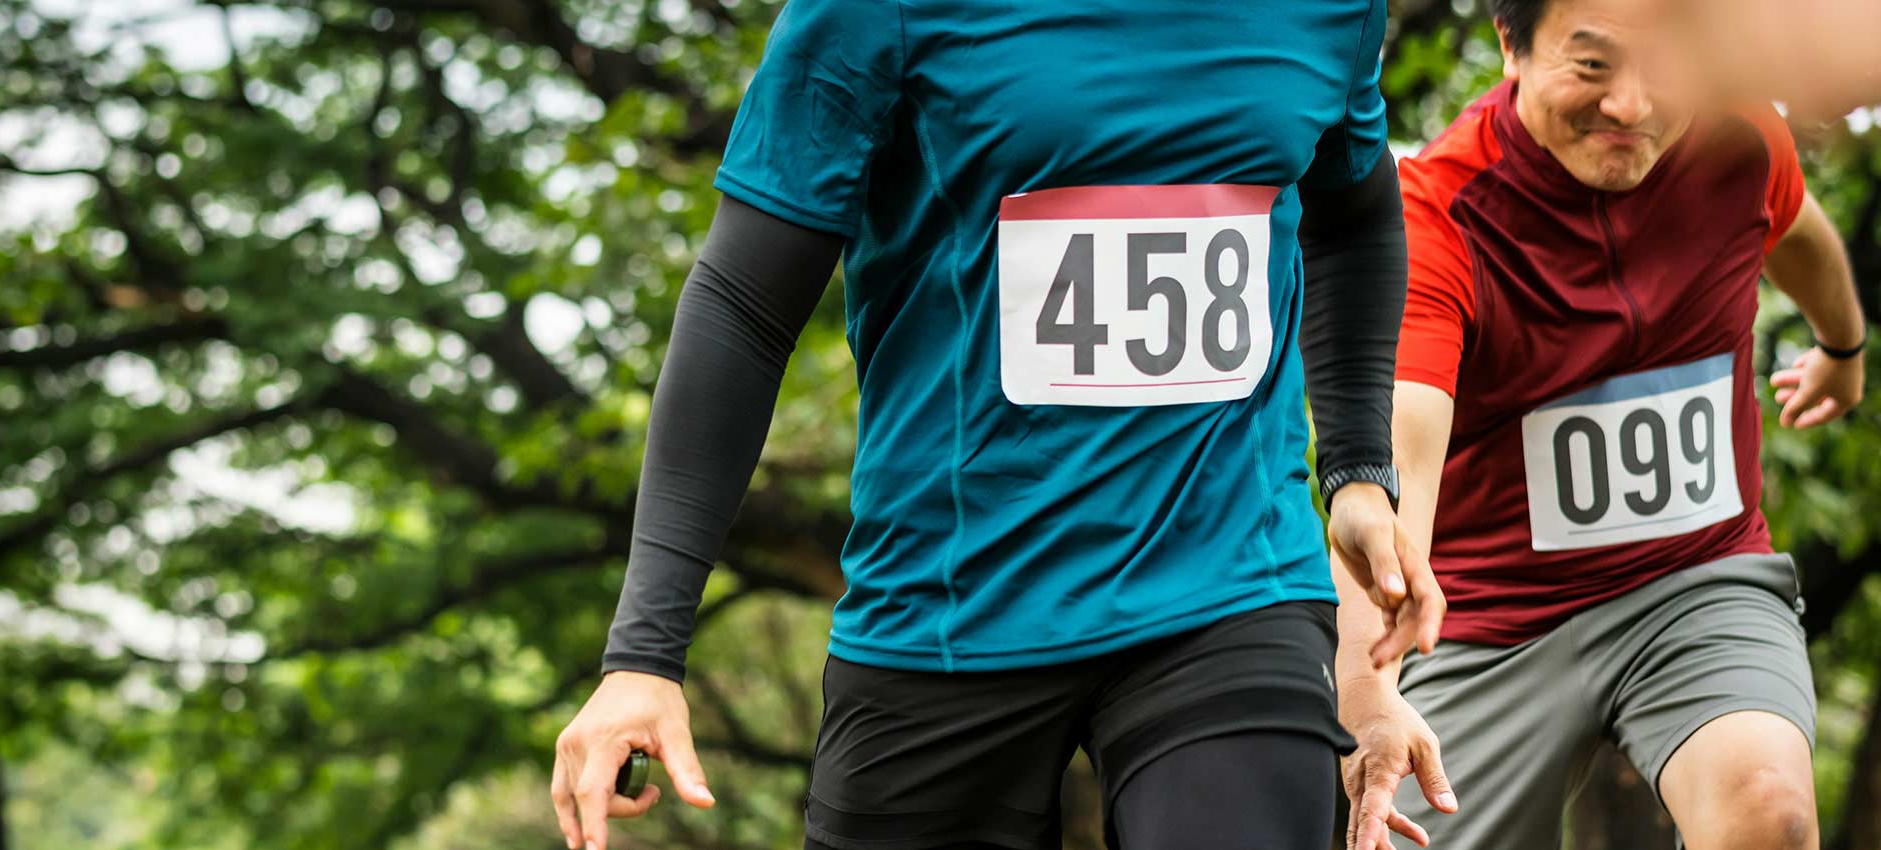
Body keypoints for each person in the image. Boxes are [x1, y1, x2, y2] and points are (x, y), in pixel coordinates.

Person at [548, 0, 1445, 848]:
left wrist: (1358, 473)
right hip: (949, 606)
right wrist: (643, 657)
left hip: (1230, 577)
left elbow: (1356, 218)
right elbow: (744, 303)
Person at [1334, 0, 1869, 848]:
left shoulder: (1741, 141)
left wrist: (1844, 344)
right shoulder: (1440, 213)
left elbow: (1796, 229)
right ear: (1511, 43)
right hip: (1487, 622)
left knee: (1768, 808)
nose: (1632, 106)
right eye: (1591, 66)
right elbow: (1399, 455)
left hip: (1698, 580)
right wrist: (1372, 689)